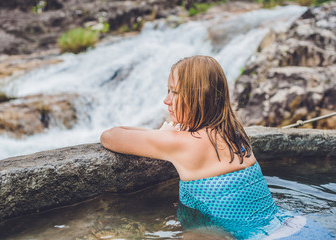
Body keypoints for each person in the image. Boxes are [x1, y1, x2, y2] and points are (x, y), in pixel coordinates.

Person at [101, 56, 334, 239]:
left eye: (174, 92)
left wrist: (164, 135)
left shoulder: (182, 144)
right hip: (299, 227)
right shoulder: (235, 133)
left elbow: (110, 136)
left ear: (197, 97)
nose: (166, 100)